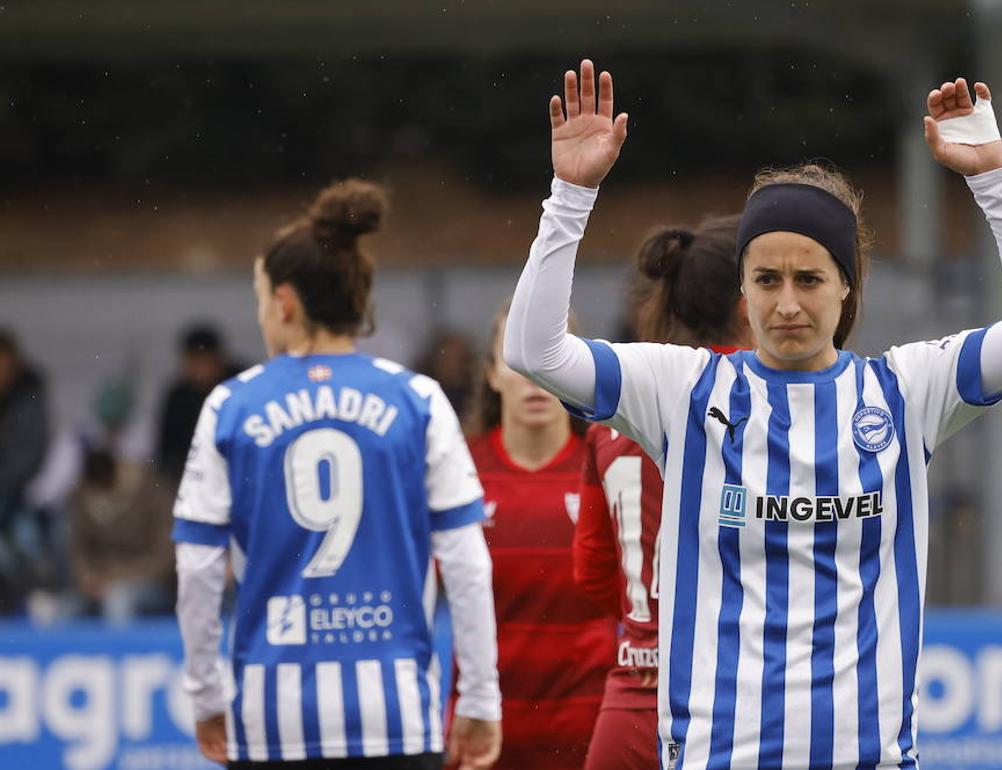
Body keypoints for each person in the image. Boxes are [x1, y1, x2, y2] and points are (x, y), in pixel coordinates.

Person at [505, 61, 1002, 769]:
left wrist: (991, 178)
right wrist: (571, 194)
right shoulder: (683, 389)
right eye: (766, 281)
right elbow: (532, 348)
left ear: (846, 286)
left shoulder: (906, 391)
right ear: (741, 290)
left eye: (809, 280)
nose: (786, 305)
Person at [173, 179, 502, 769]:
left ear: (286, 304)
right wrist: (479, 696)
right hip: (396, 716)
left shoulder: (231, 406)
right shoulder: (419, 400)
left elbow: (197, 567)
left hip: (275, 719)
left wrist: (205, 694)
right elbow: (467, 564)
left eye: (260, 297)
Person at [574, 214, 755, 770]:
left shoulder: (614, 414)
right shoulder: (777, 406)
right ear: (749, 301)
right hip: (736, 703)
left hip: (631, 704)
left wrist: (651, 623)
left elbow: (593, 569)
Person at [463, 304, 615, 770]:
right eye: (516, 358)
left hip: (588, 734)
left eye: (549, 355)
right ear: (492, 373)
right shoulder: (457, 473)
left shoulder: (609, 468)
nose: (534, 375)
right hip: (484, 736)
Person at [70, 442, 175, 622]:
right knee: (56, 610)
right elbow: (78, 549)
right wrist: (88, 578)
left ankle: (113, 648)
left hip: (150, 583)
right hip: (98, 584)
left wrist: (115, 577)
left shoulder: (153, 492)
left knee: (118, 600)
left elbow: (164, 559)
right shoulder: (84, 494)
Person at [0, 330, 51, 613]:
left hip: (23, 493)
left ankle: (37, 603)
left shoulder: (29, 396)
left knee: (27, 543)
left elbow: (32, 453)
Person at [157, 324, 240, 482]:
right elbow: (166, 453)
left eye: (204, 362)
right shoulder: (178, 397)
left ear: (219, 360)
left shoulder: (240, 387)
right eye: (193, 362)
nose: (199, 370)